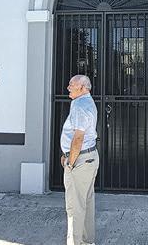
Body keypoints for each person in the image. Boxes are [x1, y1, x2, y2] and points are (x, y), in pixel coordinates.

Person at [61, 74, 99, 245]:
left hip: (80, 160)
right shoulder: (87, 102)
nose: (68, 87)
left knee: (75, 207)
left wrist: (70, 161)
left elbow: (78, 138)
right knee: (86, 203)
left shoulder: (79, 105)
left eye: (72, 85)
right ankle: (87, 241)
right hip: (89, 157)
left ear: (83, 88)